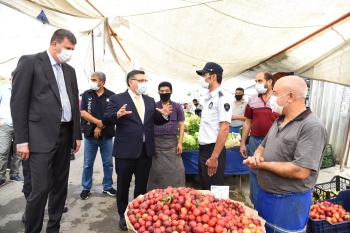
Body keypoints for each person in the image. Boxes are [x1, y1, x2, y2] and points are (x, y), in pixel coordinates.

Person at [11, 29, 82, 233]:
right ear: (54, 44)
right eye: (67, 48)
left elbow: (74, 105)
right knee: (39, 189)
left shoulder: (69, 70)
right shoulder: (30, 62)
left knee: (60, 188)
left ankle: (54, 228)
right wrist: (22, 140)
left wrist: (77, 134)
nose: (69, 52)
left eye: (72, 49)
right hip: (38, 137)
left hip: (65, 133)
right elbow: (18, 103)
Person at [243, 75, 327, 233]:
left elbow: (301, 170)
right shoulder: (279, 120)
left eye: (275, 93)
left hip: (288, 202)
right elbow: (263, 145)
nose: (271, 98)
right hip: (265, 195)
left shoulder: (312, 126)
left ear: (290, 97)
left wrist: (263, 165)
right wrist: (257, 156)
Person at [102, 70, 172, 231]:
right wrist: (117, 115)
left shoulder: (149, 100)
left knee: (141, 186)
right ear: (130, 82)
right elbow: (105, 119)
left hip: (145, 150)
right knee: (123, 184)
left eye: (145, 80)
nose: (143, 83)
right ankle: (122, 214)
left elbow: (154, 121)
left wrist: (164, 116)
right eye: (140, 80)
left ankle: (138, 212)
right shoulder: (117, 99)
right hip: (125, 151)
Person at [239, 71, 280, 207]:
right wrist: (243, 143)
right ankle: (256, 204)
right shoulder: (252, 100)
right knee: (255, 171)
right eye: (256, 81)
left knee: (272, 171)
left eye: (260, 81)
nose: (257, 84)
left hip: (275, 143)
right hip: (256, 140)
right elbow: (247, 122)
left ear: (269, 82)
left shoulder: (278, 99)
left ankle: (271, 204)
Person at [80, 71, 116, 200]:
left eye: (94, 80)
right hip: (90, 136)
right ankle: (86, 188)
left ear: (102, 82)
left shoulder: (112, 96)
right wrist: (97, 123)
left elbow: (113, 115)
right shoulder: (86, 94)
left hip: (106, 136)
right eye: (91, 79)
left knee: (108, 163)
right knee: (88, 163)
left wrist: (100, 126)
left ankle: (107, 186)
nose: (92, 82)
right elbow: (83, 113)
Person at [195, 62, 232, 190]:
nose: (202, 78)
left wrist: (214, 156)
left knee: (214, 189)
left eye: (204, 74)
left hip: (213, 149)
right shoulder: (208, 98)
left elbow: (225, 128)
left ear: (213, 76)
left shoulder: (222, 98)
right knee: (205, 186)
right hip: (204, 149)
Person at [147, 81, 185, 191]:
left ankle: (176, 192)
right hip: (156, 144)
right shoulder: (153, 106)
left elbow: (181, 124)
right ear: (158, 92)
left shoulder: (177, 107)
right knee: (156, 171)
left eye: (167, 91)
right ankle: (155, 194)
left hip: (172, 143)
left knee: (177, 170)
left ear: (171, 92)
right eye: (162, 91)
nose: (164, 93)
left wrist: (180, 143)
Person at [0, 72, 23, 187]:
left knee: (18, 152)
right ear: (11, 78)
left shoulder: (22, 90)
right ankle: (1, 176)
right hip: (6, 125)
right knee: (3, 151)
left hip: (19, 126)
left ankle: (14, 173)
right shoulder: (3, 89)